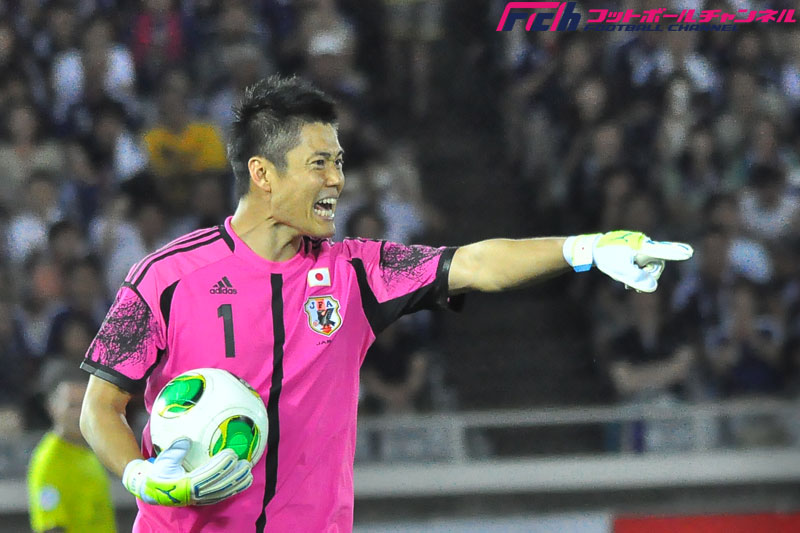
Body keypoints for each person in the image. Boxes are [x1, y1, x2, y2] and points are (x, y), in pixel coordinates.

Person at [79, 75, 693, 533]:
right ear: (263, 174)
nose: (336, 181)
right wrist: (140, 475)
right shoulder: (163, 277)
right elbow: (99, 408)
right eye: (319, 164)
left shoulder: (356, 273)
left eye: (339, 163)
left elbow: (474, 264)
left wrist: (586, 248)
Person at [28, 360, 116, 533]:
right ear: (52, 407)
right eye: (72, 406)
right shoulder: (49, 462)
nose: (79, 414)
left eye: (83, 405)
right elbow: (51, 527)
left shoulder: (89, 451)